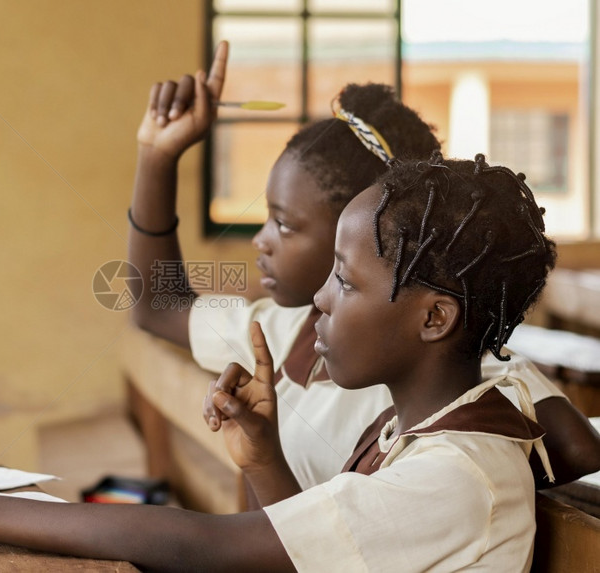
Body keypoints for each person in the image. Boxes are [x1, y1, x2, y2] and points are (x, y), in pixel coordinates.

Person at [0, 153, 555, 571]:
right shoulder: (408, 432)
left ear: (434, 318)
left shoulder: (461, 475)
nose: (320, 295)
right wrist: (263, 457)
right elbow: (311, 556)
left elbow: (212, 547)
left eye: (344, 281)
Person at [130, 41, 600, 491]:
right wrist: (157, 155)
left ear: (357, 228)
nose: (261, 239)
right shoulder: (275, 333)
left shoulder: (439, 370)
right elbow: (155, 306)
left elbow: (579, 450)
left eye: (285, 224)